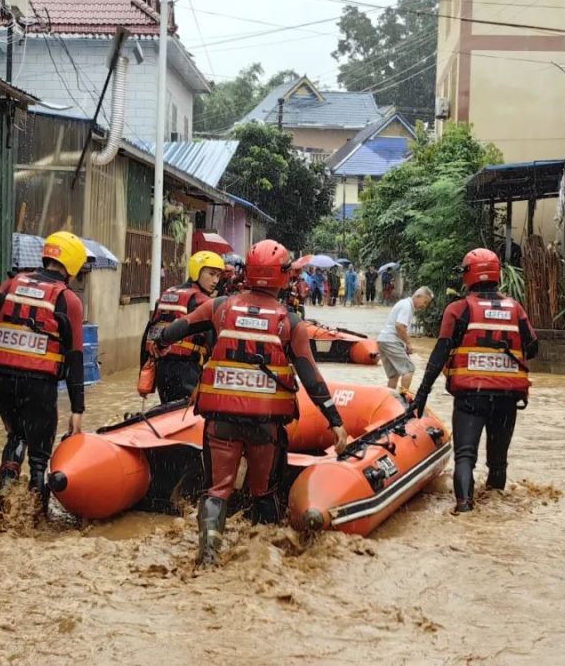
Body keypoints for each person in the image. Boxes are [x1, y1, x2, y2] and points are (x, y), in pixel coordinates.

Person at [152, 239, 349, 566]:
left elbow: (174, 331)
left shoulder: (219, 307)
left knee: (217, 489)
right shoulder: (291, 322)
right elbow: (311, 377)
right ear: (284, 276)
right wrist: (336, 421)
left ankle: (209, 555)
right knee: (264, 492)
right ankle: (264, 558)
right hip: (265, 426)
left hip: (221, 421)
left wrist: (159, 339)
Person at [408, 249, 538, 514]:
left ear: (469, 275)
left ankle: (464, 509)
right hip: (506, 399)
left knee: (465, 457)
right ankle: (495, 509)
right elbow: (533, 347)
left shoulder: (458, 310)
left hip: (471, 398)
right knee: (498, 464)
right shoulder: (515, 308)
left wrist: (421, 394)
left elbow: (440, 354)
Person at [0, 231, 87, 504]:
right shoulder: (69, 300)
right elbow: (76, 357)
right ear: (73, 264)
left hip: (1, 377)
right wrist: (77, 408)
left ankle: (3, 497)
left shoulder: (11, 285)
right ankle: (34, 517)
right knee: (40, 454)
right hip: (39, 384)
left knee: (16, 436)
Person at [143, 251, 224, 403]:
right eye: (211, 274)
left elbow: (148, 333)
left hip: (162, 369)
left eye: (218, 276)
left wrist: (144, 370)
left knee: (167, 411)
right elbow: (214, 342)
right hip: (186, 369)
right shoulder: (203, 301)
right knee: (185, 413)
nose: (215, 280)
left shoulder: (167, 294)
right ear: (196, 271)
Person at [377, 287, 434, 391]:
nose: (424, 306)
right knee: (409, 369)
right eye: (425, 302)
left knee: (394, 375)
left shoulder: (404, 304)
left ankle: (390, 399)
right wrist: (408, 343)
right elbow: (399, 326)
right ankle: (403, 398)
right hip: (391, 340)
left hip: (383, 340)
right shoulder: (407, 306)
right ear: (418, 296)